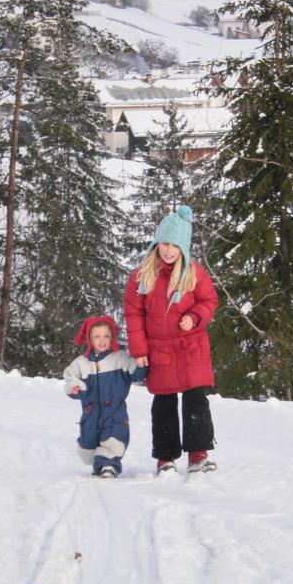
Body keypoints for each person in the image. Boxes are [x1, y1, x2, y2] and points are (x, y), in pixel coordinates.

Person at [124, 205, 219, 475]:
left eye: (174, 246)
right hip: (160, 350)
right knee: (164, 404)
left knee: (196, 401)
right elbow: (133, 313)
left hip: (191, 349)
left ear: (183, 249)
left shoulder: (193, 273)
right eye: (164, 243)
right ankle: (165, 457)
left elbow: (209, 300)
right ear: (157, 243)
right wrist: (139, 350)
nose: (168, 250)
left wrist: (195, 316)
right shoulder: (142, 276)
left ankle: (198, 454)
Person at [63, 315, 148, 478]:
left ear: (112, 338)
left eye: (106, 336)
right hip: (91, 412)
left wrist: (140, 364)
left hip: (115, 411)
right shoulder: (82, 362)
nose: (102, 340)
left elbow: (135, 373)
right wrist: (76, 387)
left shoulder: (120, 358)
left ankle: (109, 464)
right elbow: (70, 377)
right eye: (97, 336)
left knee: (114, 439)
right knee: (88, 447)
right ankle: (98, 462)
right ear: (89, 339)